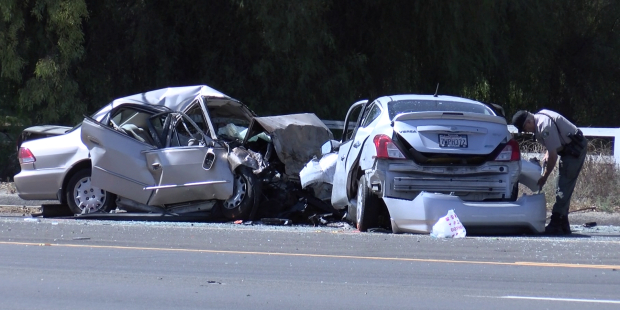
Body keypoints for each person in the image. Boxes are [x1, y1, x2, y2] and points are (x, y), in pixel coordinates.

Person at [511, 109, 587, 235]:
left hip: (574, 151)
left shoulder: (544, 126)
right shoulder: (541, 116)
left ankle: (556, 223)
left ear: (529, 121)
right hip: (568, 149)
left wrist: (545, 176)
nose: (526, 132)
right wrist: (548, 151)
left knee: (563, 187)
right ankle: (563, 224)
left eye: (524, 128)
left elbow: (553, 156)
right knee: (562, 186)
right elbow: (554, 139)